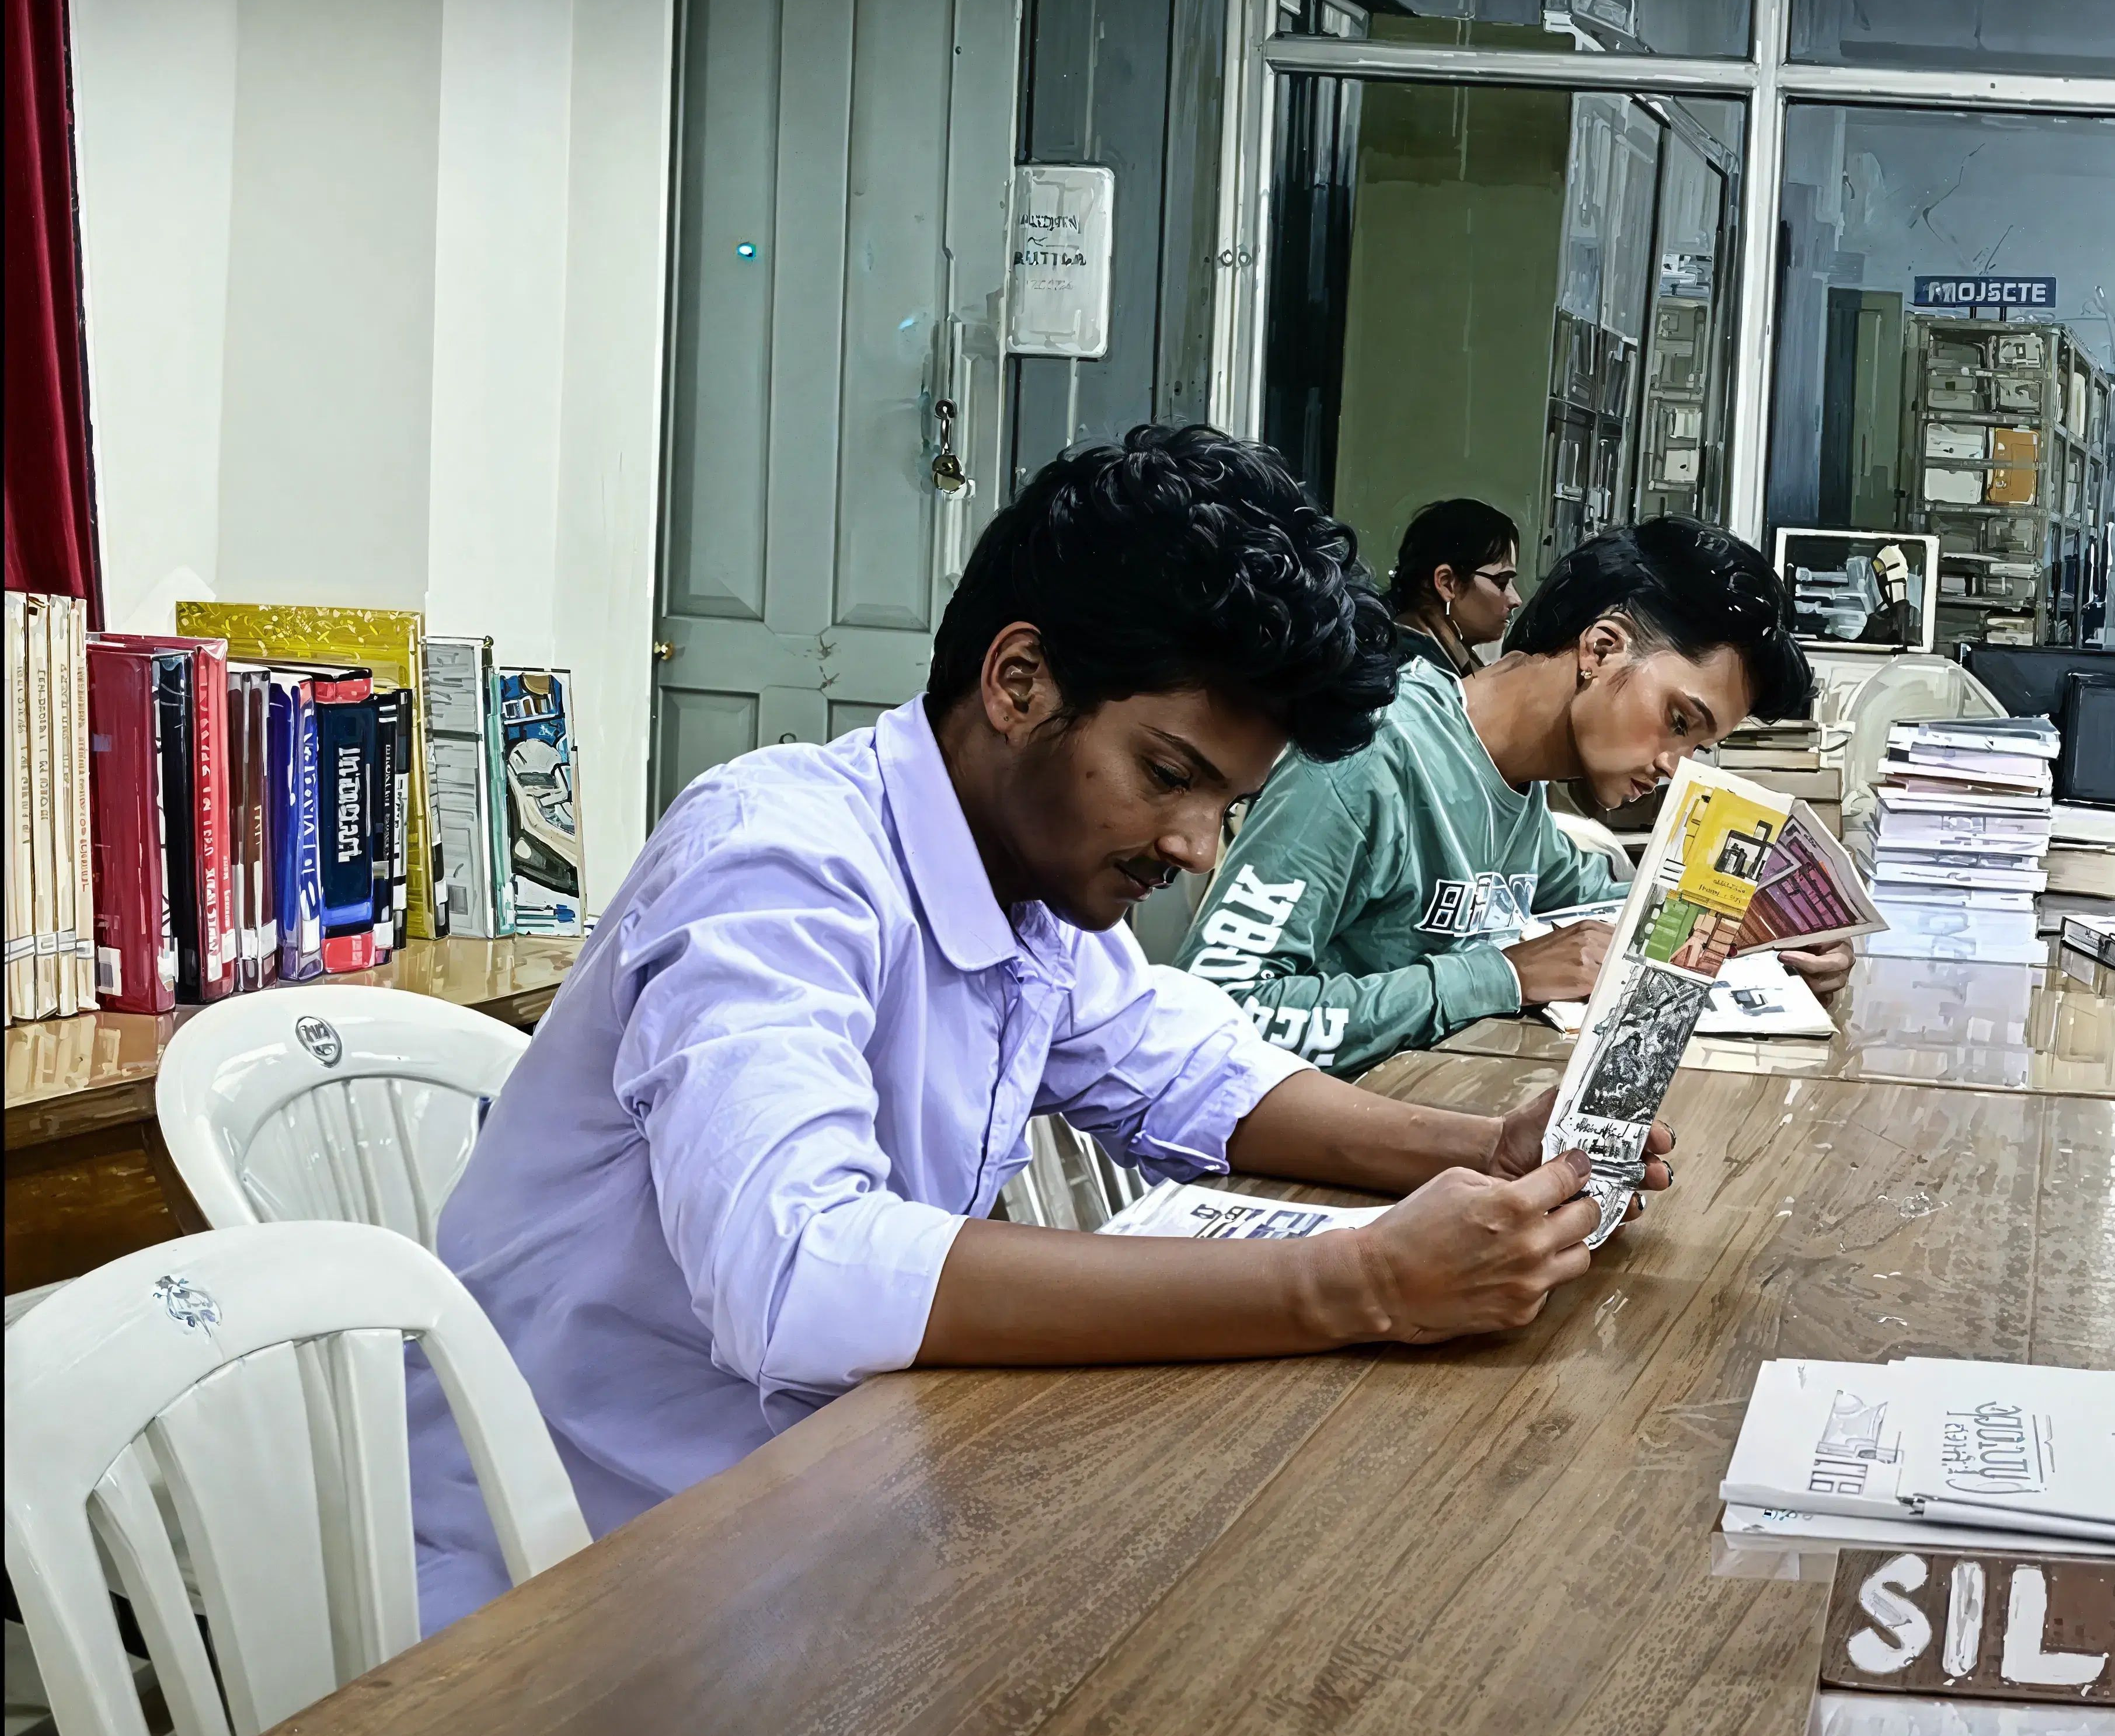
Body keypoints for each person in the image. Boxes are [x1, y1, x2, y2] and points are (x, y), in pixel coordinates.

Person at [406, 427, 1671, 1627]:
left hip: (828, 1516)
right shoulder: (780, 860)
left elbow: (1187, 1071)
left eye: (1226, 802)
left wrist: (1478, 1151)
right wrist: (1355, 1283)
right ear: (1018, 683)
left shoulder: (1027, 885)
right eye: (1171, 777)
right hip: (597, 1582)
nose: (1193, 848)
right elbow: (795, 1272)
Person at [1176, 515, 1844, 1075]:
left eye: (1698, 744)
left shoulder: (1516, 784)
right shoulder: (1370, 757)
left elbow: (1603, 904)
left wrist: (1768, 945)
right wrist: (1503, 975)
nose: (1676, 766)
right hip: (1302, 1177)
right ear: (1602, 648)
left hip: (1438, 1135)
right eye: (1678, 722)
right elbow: (1212, 1020)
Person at [1391, 497, 1521, 675]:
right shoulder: (1416, 673)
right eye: (1502, 582)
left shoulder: (1441, 653)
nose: (1516, 600)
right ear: (1446, 584)